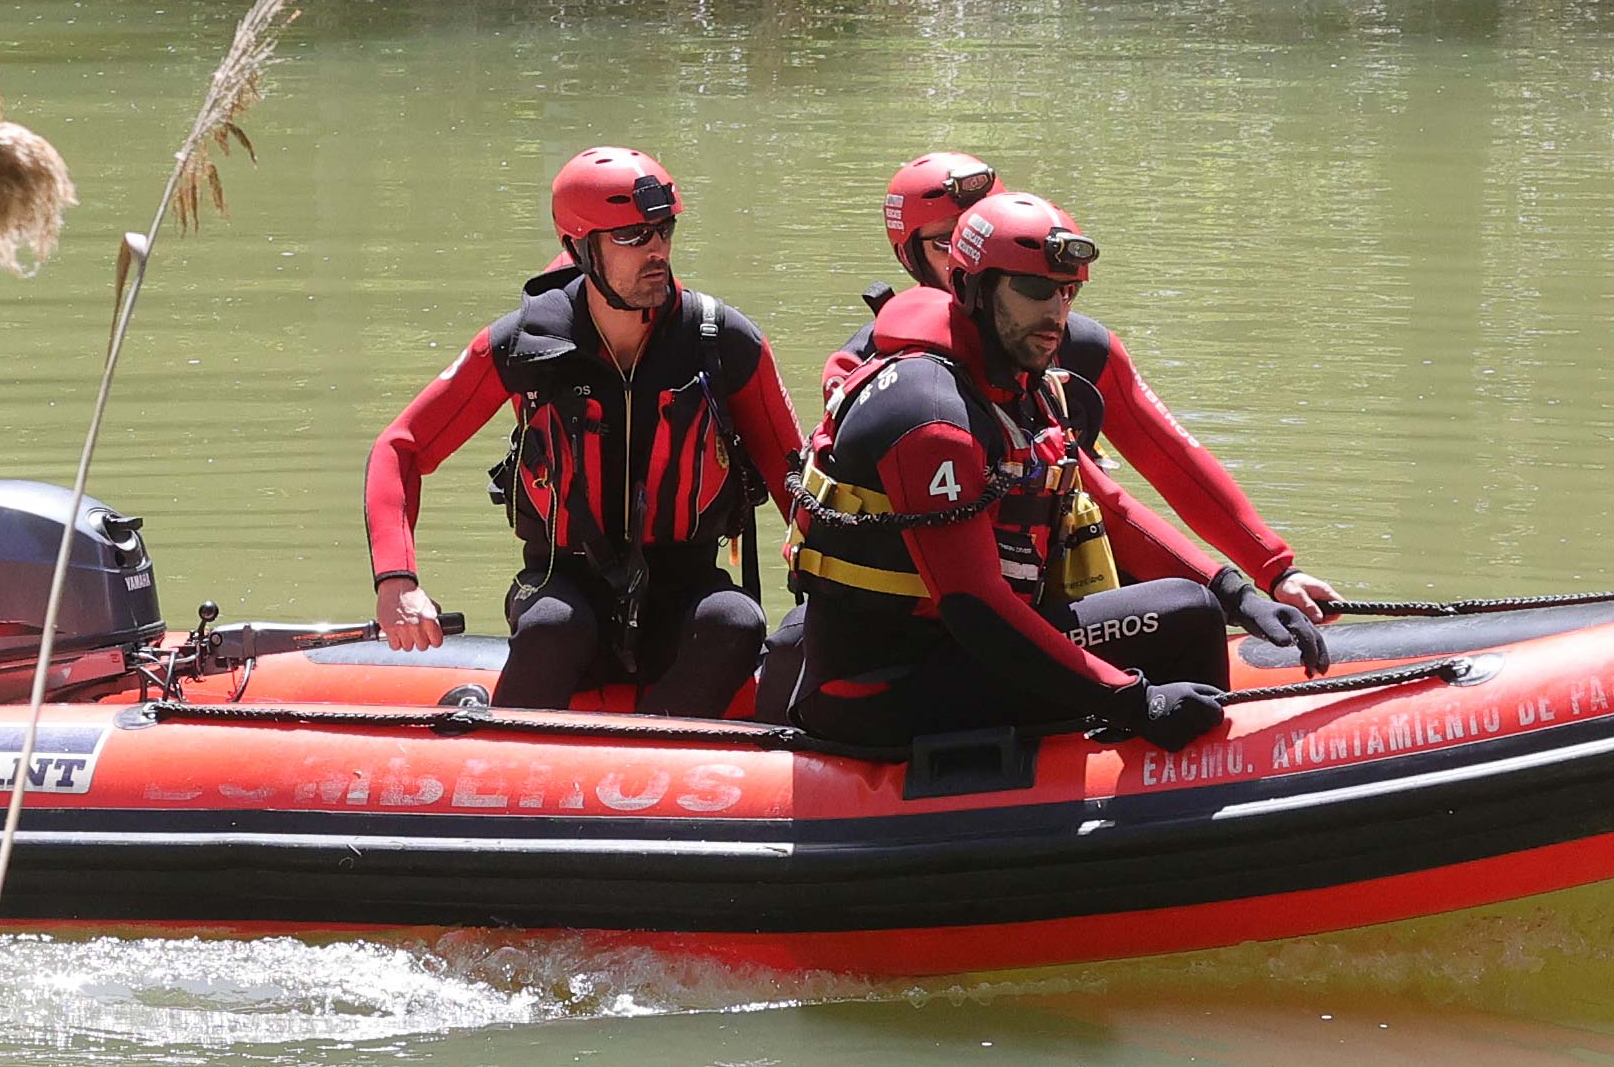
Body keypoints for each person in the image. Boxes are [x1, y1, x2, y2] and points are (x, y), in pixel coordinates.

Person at [791, 194, 1328, 755]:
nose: (1056, 312)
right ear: (970, 288)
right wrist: (1134, 701)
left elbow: (1112, 510)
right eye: (1034, 290)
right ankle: (1177, 801)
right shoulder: (931, 413)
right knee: (1185, 615)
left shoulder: (1018, 383)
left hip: (955, 651)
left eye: (1067, 291)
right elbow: (975, 608)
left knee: (1194, 604)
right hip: (881, 687)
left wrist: (1241, 593)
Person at [832, 148, 1349, 653]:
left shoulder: (1078, 346)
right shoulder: (888, 370)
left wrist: (1275, 571)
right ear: (910, 255)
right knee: (1185, 610)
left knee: (1179, 602)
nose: (969, 241)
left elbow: (1168, 460)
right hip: (947, 619)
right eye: (947, 240)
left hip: (1073, 566)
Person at [363, 146, 808, 718]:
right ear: (580, 246)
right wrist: (396, 580)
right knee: (554, 627)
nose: (657, 250)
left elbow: (799, 482)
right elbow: (401, 447)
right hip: (560, 576)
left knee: (735, 620)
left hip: (685, 580)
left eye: (663, 229)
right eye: (631, 236)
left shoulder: (722, 341)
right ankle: (510, 773)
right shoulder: (523, 344)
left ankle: (651, 770)